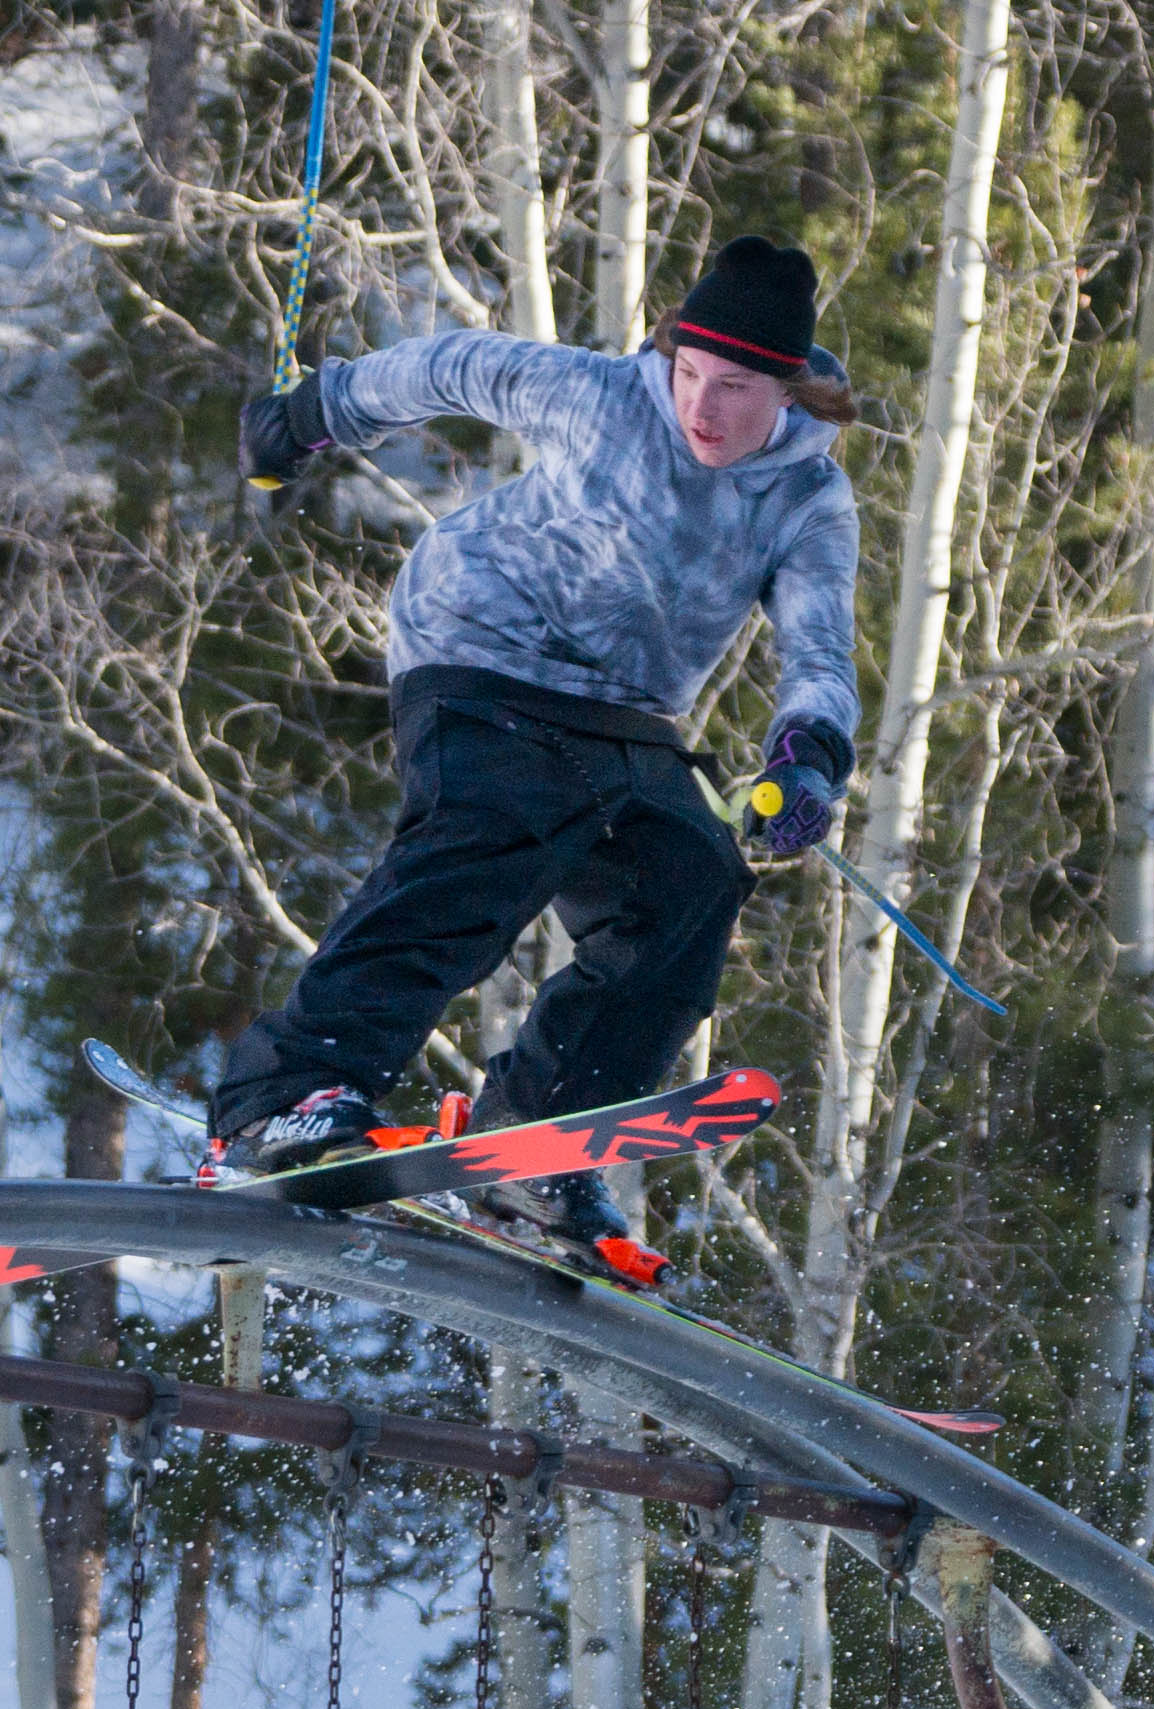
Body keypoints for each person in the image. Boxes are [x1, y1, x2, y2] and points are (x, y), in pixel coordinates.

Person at [208, 232, 862, 1272]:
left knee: (690, 878)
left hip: (624, 710)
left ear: (787, 390)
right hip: (479, 644)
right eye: (689, 374)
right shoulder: (604, 395)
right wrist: (307, 416)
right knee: (492, 832)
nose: (702, 407)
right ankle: (284, 1097)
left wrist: (808, 756)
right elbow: (446, 365)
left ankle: (533, 1139)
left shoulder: (806, 498)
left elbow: (820, 642)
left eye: (734, 388)